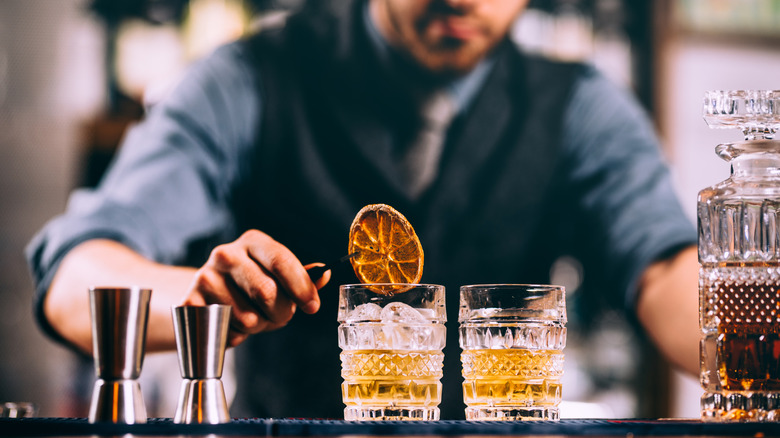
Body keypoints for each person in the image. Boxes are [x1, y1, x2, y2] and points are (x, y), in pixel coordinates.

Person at [26, 0, 699, 419]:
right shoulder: (252, 78)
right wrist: (203, 298)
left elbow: (665, 271)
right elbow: (73, 281)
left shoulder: (580, 107)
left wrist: (749, 326)